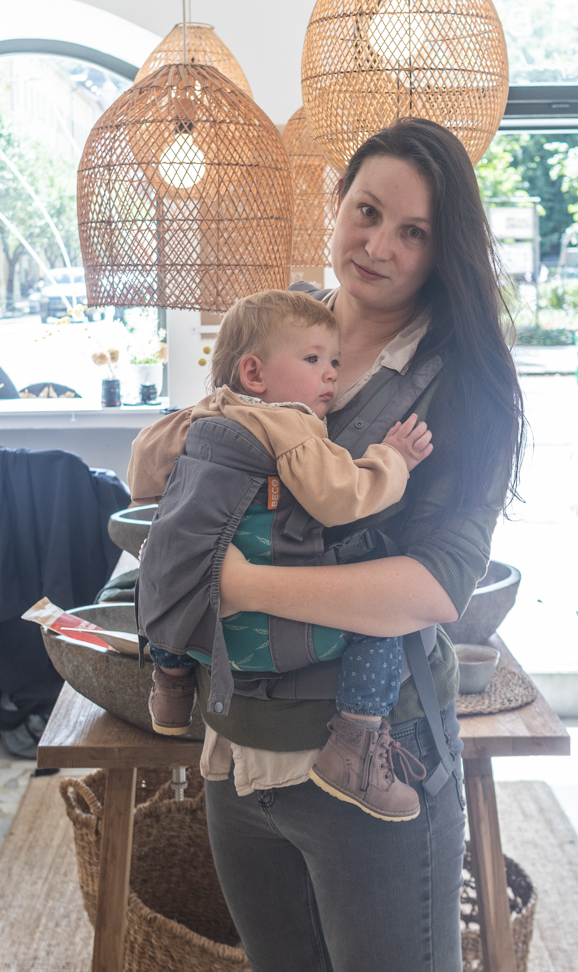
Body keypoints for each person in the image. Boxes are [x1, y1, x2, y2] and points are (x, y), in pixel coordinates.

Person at [134, 118, 526, 972]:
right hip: (240, 757)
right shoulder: (279, 336)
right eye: (367, 210)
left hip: (371, 765)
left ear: (443, 249)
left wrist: (236, 584)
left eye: (413, 232)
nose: (379, 245)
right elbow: (183, 475)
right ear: (336, 203)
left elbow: (432, 588)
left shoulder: (460, 388)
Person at [129, 288, 437, 819]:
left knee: (168, 561)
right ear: (255, 375)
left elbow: (140, 469)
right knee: (387, 617)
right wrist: (394, 461)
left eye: (334, 361)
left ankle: (170, 683)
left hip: (201, 634)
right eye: (314, 359)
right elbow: (342, 498)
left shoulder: (200, 415)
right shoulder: (289, 424)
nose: (331, 376)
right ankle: (357, 744)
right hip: (265, 633)